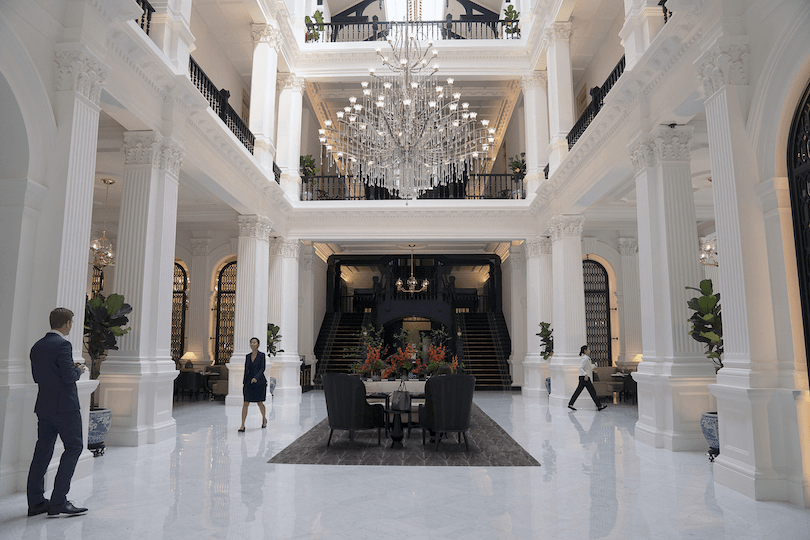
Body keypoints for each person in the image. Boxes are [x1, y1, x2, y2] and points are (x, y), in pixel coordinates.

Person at [27, 307, 88, 517]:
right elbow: (68, 377)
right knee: (74, 447)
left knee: (42, 451)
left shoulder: (37, 346)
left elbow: (39, 376)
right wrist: (78, 370)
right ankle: (58, 501)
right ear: (67, 323)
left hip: (44, 405)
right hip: (65, 407)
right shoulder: (63, 344)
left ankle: (35, 502)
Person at [238, 337, 267, 432]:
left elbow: (262, 368)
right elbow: (246, 370)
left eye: (254, 342)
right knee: (245, 403)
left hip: (259, 383)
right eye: (251, 342)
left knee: (260, 403)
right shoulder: (247, 356)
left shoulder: (262, 355)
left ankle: (264, 419)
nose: (252, 344)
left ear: (258, 344)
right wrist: (244, 382)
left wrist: (256, 378)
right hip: (248, 383)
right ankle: (242, 425)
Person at [567, 345, 607, 412]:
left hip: (582, 377)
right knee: (592, 392)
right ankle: (599, 406)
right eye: (588, 349)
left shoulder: (586, 358)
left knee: (578, 391)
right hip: (585, 378)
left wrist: (595, 365)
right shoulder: (585, 358)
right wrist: (585, 375)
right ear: (585, 351)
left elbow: (588, 367)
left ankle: (570, 404)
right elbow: (580, 367)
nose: (589, 351)